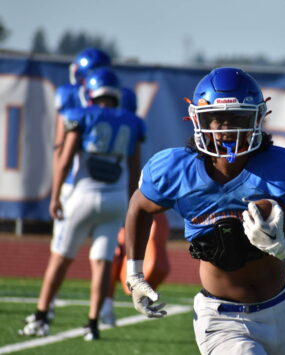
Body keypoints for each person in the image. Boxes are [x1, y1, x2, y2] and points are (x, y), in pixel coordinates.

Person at [124, 67, 285, 354]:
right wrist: (134, 273)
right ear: (198, 119)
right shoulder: (177, 170)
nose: (225, 130)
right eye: (215, 119)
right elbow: (139, 205)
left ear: (258, 119)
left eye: (237, 118)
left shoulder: (283, 171)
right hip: (222, 316)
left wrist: (283, 248)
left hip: (282, 311)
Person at [19, 68, 146, 341]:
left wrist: (55, 196)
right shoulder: (132, 121)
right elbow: (136, 171)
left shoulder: (81, 115)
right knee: (101, 263)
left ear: (91, 93)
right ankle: (92, 323)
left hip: (82, 195)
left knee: (60, 257)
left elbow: (64, 159)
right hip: (116, 199)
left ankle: (41, 317)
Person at [99, 85, 172, 327]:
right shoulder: (134, 125)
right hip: (126, 196)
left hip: (114, 195)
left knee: (111, 253)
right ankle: (104, 307)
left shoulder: (104, 122)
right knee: (111, 253)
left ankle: (105, 307)